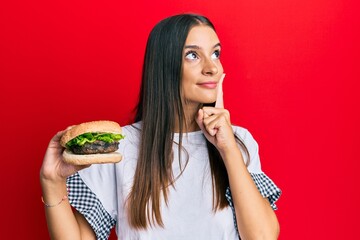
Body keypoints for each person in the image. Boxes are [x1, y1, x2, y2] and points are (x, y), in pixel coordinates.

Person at [40, 13, 281, 240]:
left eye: (216, 53)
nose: (212, 67)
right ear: (164, 66)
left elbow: (262, 236)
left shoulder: (239, 142)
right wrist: (51, 182)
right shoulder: (120, 148)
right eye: (193, 55)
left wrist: (228, 150)